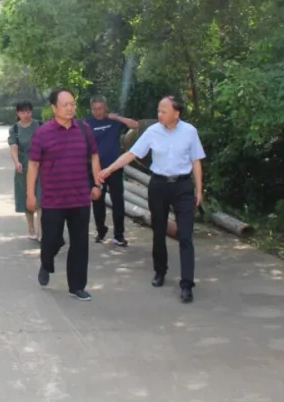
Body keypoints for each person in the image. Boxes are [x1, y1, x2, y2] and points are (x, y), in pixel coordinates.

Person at [99, 96, 205, 303]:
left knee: (185, 235)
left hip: (183, 186)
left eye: (164, 111)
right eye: (158, 110)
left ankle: (187, 284)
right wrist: (110, 169)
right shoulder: (152, 131)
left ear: (177, 113)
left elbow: (196, 161)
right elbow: (131, 154)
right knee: (158, 230)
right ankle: (160, 271)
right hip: (158, 186)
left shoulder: (190, 132)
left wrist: (199, 190)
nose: (159, 114)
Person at [27, 89, 103, 301]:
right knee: (51, 240)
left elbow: (94, 157)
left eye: (72, 104)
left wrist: (98, 184)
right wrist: (31, 195)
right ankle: (46, 262)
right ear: (54, 108)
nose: (70, 108)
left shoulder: (84, 130)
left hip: (80, 197)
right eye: (65, 105)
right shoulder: (42, 133)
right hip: (53, 200)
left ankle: (77, 286)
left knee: (80, 243)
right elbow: (33, 165)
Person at [86, 95, 139, 246]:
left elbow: (135, 125)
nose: (98, 112)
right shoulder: (87, 124)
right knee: (98, 201)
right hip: (96, 169)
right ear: (91, 109)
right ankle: (101, 231)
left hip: (114, 168)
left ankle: (119, 235)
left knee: (118, 201)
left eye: (101, 109)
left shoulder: (114, 121)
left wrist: (116, 118)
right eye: (95, 109)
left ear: (105, 107)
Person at [8, 101, 42, 240]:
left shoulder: (40, 125)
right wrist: (17, 162)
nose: (26, 115)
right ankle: (31, 228)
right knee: (27, 197)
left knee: (40, 197)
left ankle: (41, 230)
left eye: (28, 111)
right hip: (23, 167)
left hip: (41, 166)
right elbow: (13, 147)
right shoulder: (15, 129)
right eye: (23, 112)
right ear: (18, 113)